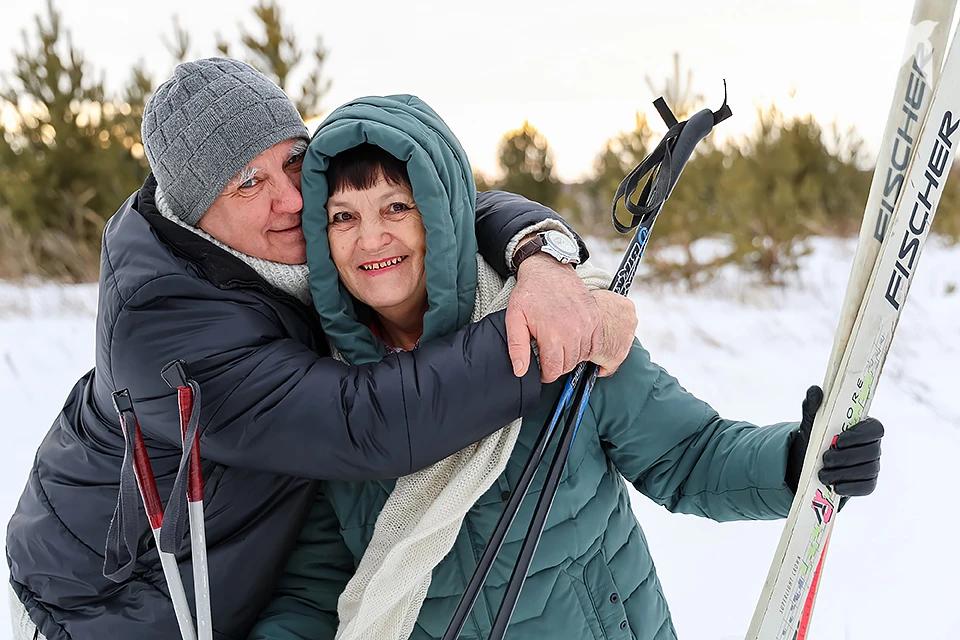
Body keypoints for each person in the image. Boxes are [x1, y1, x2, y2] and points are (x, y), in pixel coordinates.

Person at [4, 59, 640, 640]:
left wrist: (540, 260)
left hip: (236, 574)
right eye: (247, 184)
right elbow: (366, 423)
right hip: (108, 604)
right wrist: (549, 333)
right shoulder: (164, 325)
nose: (290, 198)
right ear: (197, 216)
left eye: (291, 162)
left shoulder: (273, 250)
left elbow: (440, 203)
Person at [249, 95, 885, 640]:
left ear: (441, 217)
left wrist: (795, 463)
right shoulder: (333, 400)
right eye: (343, 218)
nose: (370, 238)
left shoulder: (558, 329)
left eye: (397, 208)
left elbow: (689, 455)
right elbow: (321, 586)